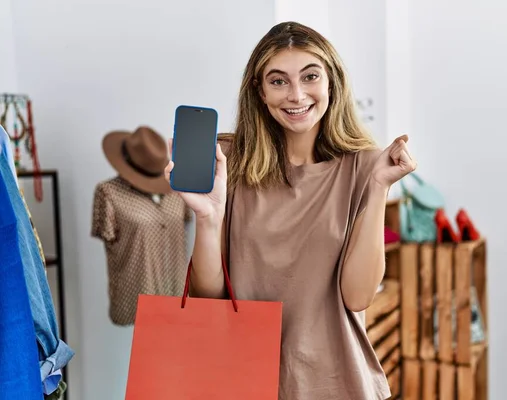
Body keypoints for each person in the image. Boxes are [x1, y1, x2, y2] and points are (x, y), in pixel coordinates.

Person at [165, 21, 417, 400]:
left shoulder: (365, 167)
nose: (296, 95)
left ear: (331, 81)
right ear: (260, 91)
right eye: (278, 80)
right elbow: (208, 297)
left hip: (335, 383)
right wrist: (207, 217)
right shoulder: (230, 161)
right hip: (243, 380)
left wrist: (379, 185)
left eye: (310, 76)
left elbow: (357, 297)